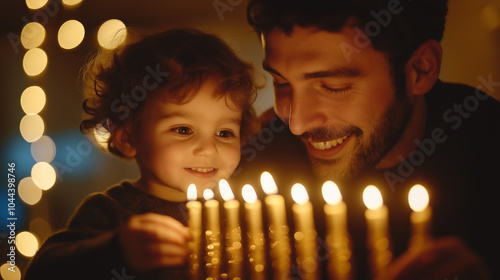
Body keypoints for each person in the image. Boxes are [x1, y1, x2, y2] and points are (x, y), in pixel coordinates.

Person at [231, 0, 500, 279]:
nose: (296, 123)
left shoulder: (489, 145)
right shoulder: (256, 159)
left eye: (332, 87)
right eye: (281, 82)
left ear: (421, 69)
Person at [25, 28, 259, 280]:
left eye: (224, 133)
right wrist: (116, 252)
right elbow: (42, 273)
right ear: (127, 137)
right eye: (183, 129)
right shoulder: (111, 212)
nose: (208, 149)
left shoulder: (247, 209)